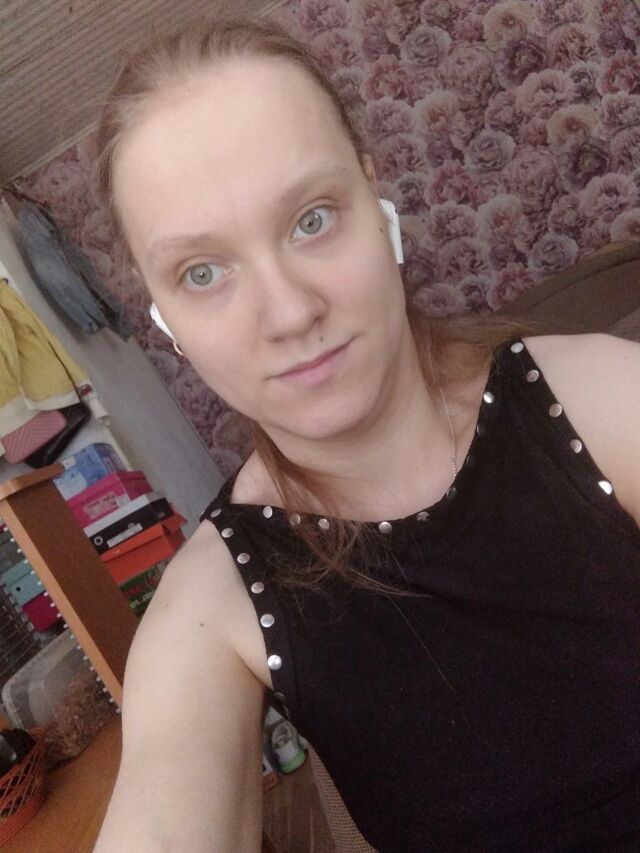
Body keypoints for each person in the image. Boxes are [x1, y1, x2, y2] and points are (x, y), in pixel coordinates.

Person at [91, 16, 640, 853]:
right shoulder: (213, 608)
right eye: (202, 272)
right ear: (164, 317)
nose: (288, 311)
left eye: (311, 219)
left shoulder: (596, 399)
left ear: (376, 206)